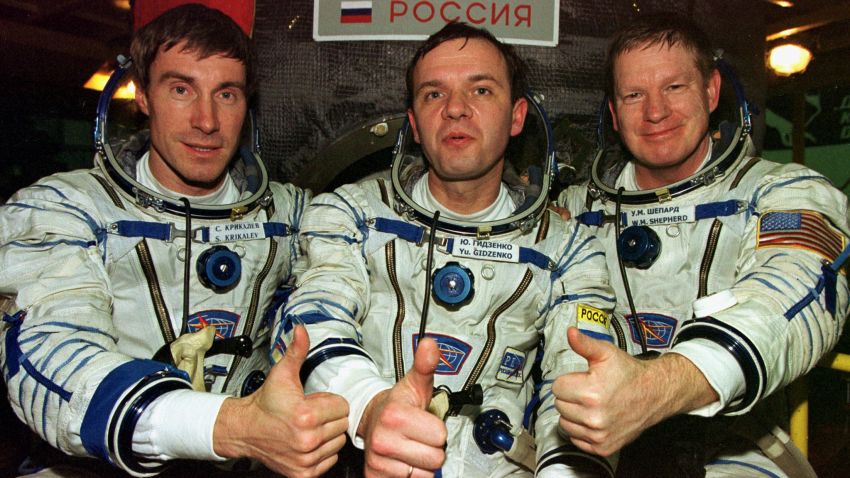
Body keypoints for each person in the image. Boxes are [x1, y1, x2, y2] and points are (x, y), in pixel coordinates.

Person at [0, 4, 348, 477]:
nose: (206, 121)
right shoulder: (61, 210)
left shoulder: (292, 215)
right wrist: (230, 425)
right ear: (142, 96)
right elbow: (55, 356)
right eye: (181, 89)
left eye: (226, 94)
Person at [273, 21, 619, 478]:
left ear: (516, 117)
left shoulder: (569, 250)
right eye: (434, 94)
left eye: (480, 91)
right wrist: (373, 408)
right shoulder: (349, 214)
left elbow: (579, 383)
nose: (456, 109)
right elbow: (316, 316)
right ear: (414, 124)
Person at [555, 13, 850, 477]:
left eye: (674, 87)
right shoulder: (575, 208)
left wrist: (658, 389)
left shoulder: (782, 192)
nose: (655, 111)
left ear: (711, 92)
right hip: (598, 441)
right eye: (634, 95)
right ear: (613, 113)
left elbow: (794, 292)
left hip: (735, 443)